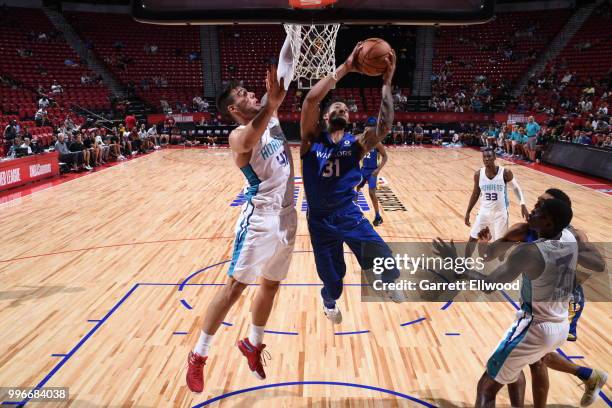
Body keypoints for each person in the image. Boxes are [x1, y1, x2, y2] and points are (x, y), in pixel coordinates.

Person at [186, 35, 297, 393]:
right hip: (260, 219)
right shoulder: (237, 136)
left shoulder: (271, 110)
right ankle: (199, 354)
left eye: (252, 93)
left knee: (272, 284)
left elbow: (285, 67)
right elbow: (250, 138)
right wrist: (271, 105)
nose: (253, 95)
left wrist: (293, 32)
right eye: (245, 96)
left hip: (288, 216)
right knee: (235, 286)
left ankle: (252, 343)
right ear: (234, 110)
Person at [435, 197, 577, 408]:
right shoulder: (569, 237)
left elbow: (488, 284)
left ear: (549, 223)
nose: (532, 211)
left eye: (540, 211)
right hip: (560, 325)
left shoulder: (530, 252)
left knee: (487, 387)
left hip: (534, 328)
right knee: (512, 368)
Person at [300, 42, 403, 326]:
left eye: (346, 109)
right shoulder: (310, 141)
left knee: (387, 263)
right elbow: (310, 100)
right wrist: (346, 67)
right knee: (334, 282)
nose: (342, 109)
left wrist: (387, 82)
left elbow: (384, 128)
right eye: (336, 106)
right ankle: (329, 300)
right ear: (325, 116)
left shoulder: (356, 144)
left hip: (349, 214)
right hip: (320, 222)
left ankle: (387, 285)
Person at [476, 188, 608, 407]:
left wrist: (570, 262)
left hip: (561, 302)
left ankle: (584, 376)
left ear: (554, 217)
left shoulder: (572, 235)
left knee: (534, 360)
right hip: (549, 308)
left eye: (541, 206)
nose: (534, 207)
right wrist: (485, 246)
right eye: (537, 202)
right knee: (528, 358)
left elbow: (599, 264)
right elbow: (490, 255)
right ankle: (587, 374)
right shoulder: (523, 230)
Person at [464, 148, 529, 258]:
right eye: (484, 157)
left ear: (495, 157)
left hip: (500, 214)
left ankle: (500, 258)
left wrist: (522, 204)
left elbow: (516, 188)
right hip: (484, 212)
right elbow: (475, 194)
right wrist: (468, 212)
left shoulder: (505, 173)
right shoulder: (478, 174)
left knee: (500, 246)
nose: (486, 159)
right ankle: (464, 265)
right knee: (472, 239)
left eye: (489, 156)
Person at [356, 136, 388, 226]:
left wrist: (378, 170)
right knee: (355, 188)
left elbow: (385, 157)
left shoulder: (377, 143)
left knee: (371, 193)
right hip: (363, 169)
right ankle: (354, 213)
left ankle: (378, 216)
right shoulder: (362, 142)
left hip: (372, 171)